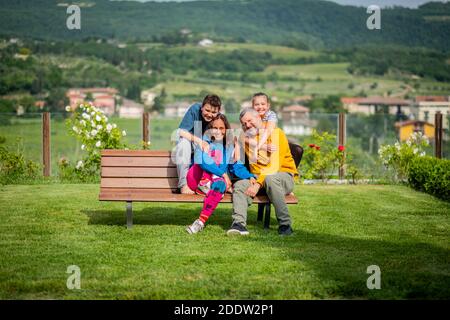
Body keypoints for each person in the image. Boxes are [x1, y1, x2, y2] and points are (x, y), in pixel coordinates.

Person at [227, 108, 298, 236]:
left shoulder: (276, 134)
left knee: (271, 179)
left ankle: (285, 225)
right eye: (243, 123)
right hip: (258, 179)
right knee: (240, 185)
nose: (247, 125)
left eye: (249, 120)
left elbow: (273, 167)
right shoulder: (245, 137)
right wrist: (251, 178)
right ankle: (239, 224)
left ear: (259, 118)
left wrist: (257, 184)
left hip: (282, 176)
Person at [186, 114, 255, 234]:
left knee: (220, 185)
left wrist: (249, 176)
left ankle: (200, 222)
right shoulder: (204, 141)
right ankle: (209, 186)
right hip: (197, 178)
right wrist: (223, 173)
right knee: (211, 169)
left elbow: (236, 166)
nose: (218, 131)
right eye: (214, 128)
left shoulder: (229, 146)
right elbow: (201, 162)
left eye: (221, 128)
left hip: (214, 182)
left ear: (226, 129)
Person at [173, 94, 221, 194]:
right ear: (202, 107)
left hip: (206, 150)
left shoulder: (219, 119)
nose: (209, 114)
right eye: (207, 110)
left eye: (213, 112)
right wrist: (200, 141)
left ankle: (209, 183)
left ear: (218, 111)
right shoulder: (195, 109)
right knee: (183, 142)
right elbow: (181, 132)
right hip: (192, 144)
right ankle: (183, 185)